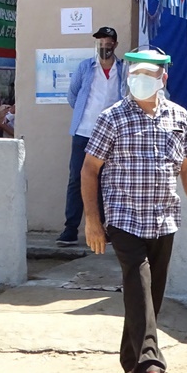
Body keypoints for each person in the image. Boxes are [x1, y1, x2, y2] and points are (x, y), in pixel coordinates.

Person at [81, 49, 187, 373]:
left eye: (147, 76)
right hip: (124, 219)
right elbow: (90, 169)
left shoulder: (178, 117)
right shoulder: (112, 117)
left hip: (164, 219)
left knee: (151, 295)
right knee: (138, 283)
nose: (138, 82)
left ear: (162, 79)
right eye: (133, 76)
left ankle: (130, 357)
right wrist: (93, 218)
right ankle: (151, 364)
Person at [56, 26, 126, 247]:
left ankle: (105, 228)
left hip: (111, 135)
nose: (103, 45)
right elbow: (73, 94)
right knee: (77, 179)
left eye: (107, 41)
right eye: (99, 41)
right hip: (84, 132)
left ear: (114, 44)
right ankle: (70, 229)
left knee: (108, 182)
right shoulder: (86, 67)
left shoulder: (123, 69)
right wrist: (83, 115)